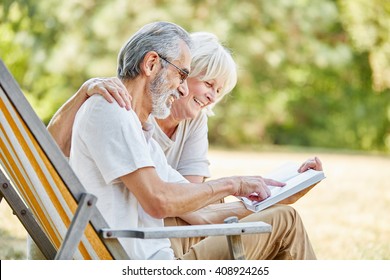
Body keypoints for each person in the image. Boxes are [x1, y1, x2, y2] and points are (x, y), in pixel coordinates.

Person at [43, 25, 322, 259]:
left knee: (282, 214)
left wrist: (279, 196)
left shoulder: (141, 133)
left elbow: (199, 213)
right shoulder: (110, 110)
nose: (183, 87)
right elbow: (159, 201)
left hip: (155, 249)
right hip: (139, 261)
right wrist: (234, 184)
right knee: (286, 221)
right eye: (182, 74)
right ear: (151, 63)